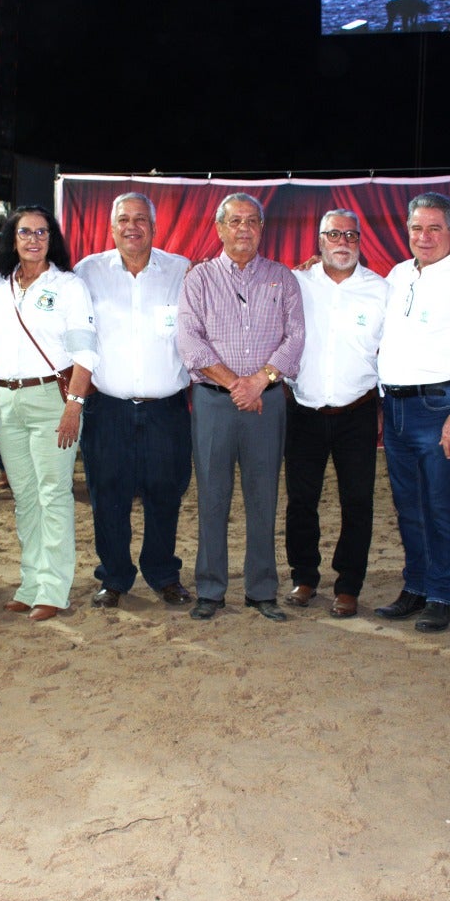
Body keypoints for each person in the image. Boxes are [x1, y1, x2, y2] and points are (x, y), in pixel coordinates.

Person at [177, 193, 305, 623]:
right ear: (219, 228)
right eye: (235, 221)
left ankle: (261, 590)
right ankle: (210, 590)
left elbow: (296, 337)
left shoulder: (282, 278)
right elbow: (190, 341)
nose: (244, 229)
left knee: (263, 497)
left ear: (262, 228)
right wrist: (237, 384)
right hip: (214, 403)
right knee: (212, 498)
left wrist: (258, 382)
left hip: (266, 404)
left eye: (252, 221)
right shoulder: (199, 279)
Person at [374, 192, 450, 632]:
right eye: (416, 228)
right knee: (408, 505)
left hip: (439, 408)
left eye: (434, 228)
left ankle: (441, 594)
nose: (424, 237)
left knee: (441, 506)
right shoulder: (398, 275)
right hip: (396, 407)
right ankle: (416, 586)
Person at [74, 193, 195, 609]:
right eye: (123, 219)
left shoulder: (181, 270)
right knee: (108, 496)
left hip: (167, 410)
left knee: (166, 494)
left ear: (155, 227)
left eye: (141, 219)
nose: (132, 227)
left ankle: (163, 575)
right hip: (108, 409)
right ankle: (114, 577)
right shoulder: (87, 272)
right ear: (111, 227)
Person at [0, 206, 98, 622]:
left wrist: (74, 406)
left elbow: (85, 353)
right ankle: (30, 583)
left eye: (42, 232)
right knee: (25, 496)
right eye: (25, 232)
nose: (33, 239)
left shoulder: (68, 286)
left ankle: (53, 588)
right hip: (6, 400)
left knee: (53, 493)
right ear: (11, 238)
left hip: (52, 400)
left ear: (52, 238)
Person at [283, 208, 386, 618]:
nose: (342, 242)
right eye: (333, 234)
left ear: (360, 240)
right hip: (303, 411)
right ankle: (304, 577)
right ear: (319, 240)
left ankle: (348, 585)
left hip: (357, 411)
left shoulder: (380, 290)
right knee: (300, 500)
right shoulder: (295, 283)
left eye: (350, 235)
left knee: (357, 501)